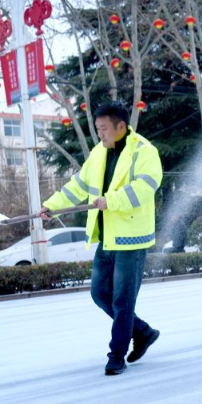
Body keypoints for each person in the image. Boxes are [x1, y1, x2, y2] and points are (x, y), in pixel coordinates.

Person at [39, 101, 163, 375]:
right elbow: (78, 185)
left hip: (132, 240)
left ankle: (116, 355)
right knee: (99, 293)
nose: (101, 135)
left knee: (122, 300)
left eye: (104, 129)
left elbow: (146, 187)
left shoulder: (144, 151)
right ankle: (142, 331)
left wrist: (112, 200)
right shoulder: (98, 153)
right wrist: (53, 205)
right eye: (97, 129)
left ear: (121, 126)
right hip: (106, 238)